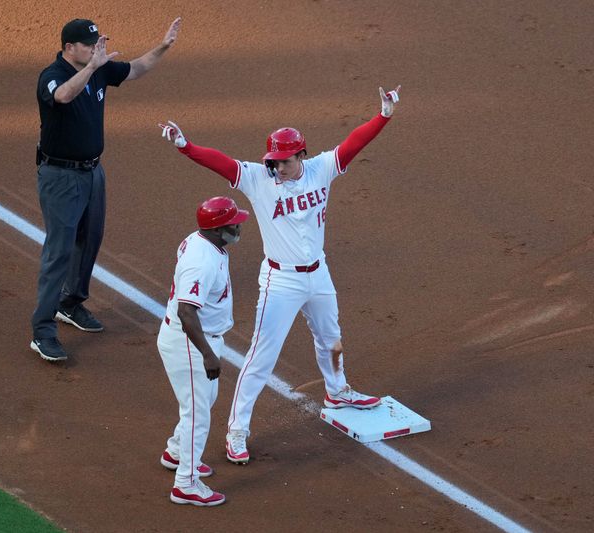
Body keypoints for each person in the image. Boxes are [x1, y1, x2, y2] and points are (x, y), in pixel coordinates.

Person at [159, 86, 401, 464]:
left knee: (332, 339)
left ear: (301, 155)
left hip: (319, 274)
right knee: (261, 357)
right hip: (280, 281)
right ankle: (237, 431)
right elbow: (220, 162)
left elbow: (354, 144)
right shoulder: (258, 178)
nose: (278, 167)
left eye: (285, 160)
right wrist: (185, 146)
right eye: (274, 160)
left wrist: (383, 115)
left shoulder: (320, 168)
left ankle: (337, 389)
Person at [30, 17, 182, 362]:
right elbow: (64, 96)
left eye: (98, 43)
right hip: (61, 177)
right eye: (89, 44)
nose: (96, 48)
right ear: (70, 48)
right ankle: (42, 331)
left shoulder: (97, 68)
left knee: (90, 240)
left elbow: (136, 69)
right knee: (59, 251)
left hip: (92, 172)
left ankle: (70, 304)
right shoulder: (53, 74)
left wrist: (163, 46)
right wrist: (93, 67)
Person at [158, 196, 250, 506]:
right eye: (232, 223)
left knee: (204, 400)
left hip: (198, 337)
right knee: (198, 412)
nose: (238, 226)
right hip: (191, 341)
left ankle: (176, 451)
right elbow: (187, 312)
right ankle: (185, 483)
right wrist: (208, 354)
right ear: (216, 229)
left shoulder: (204, 243)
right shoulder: (203, 261)